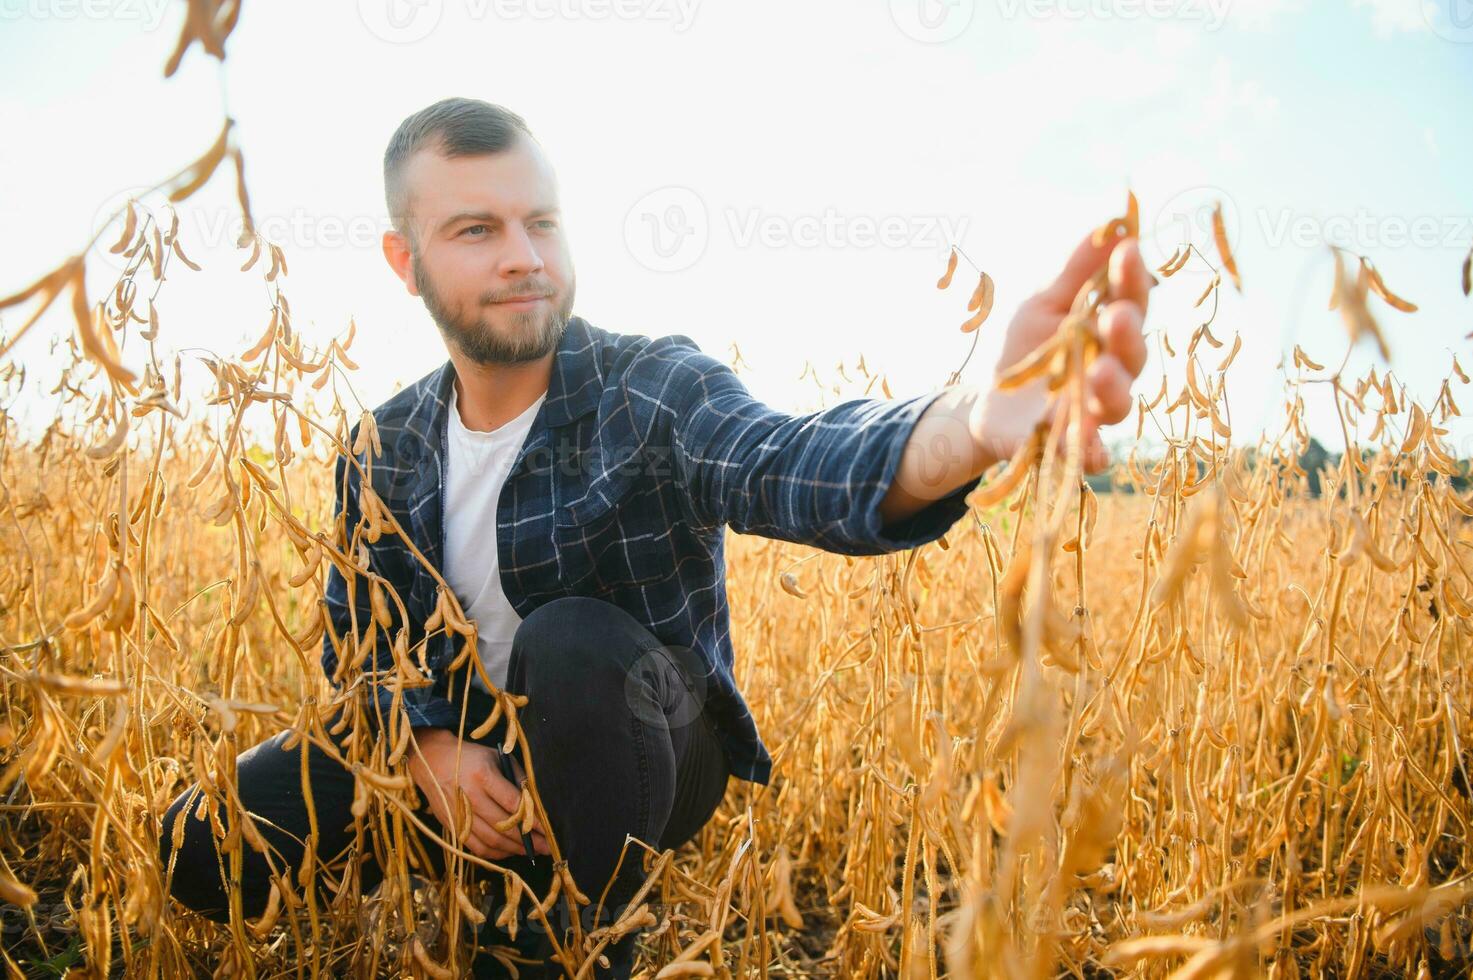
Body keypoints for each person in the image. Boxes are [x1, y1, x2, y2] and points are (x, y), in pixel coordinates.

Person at [157, 97, 1151, 978]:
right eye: (477, 228)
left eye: (542, 220)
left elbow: (785, 460)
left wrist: (976, 422)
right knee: (199, 839)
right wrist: (423, 748)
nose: (525, 255)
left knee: (574, 642)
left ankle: (568, 931)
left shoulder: (649, 386)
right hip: (456, 755)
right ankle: (484, 862)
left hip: (647, 742)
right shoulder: (385, 443)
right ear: (403, 259)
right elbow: (358, 642)